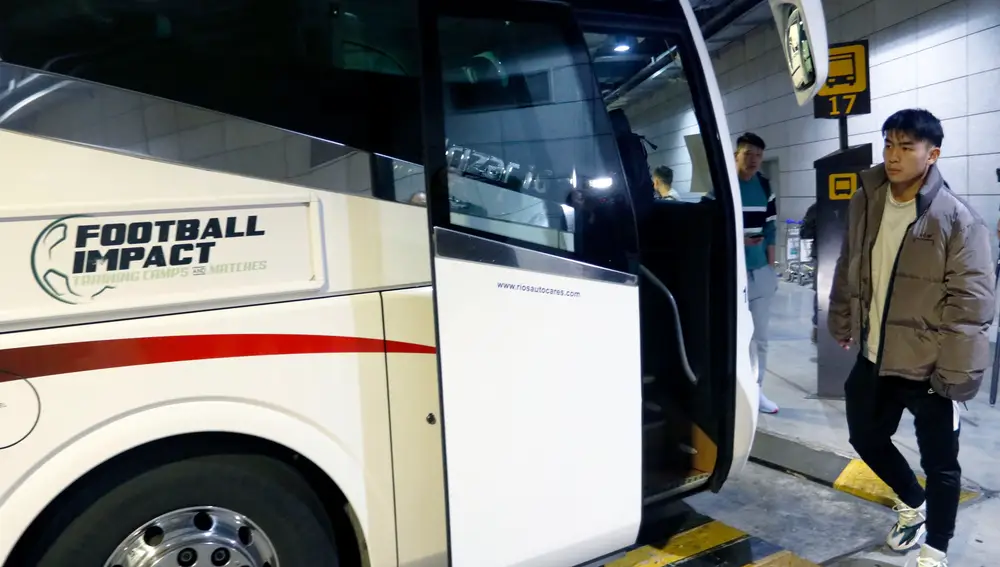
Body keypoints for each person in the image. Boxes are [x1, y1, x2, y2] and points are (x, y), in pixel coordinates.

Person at [828, 109, 994, 567]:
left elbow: (972, 306)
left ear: (932, 153)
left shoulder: (958, 220)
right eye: (889, 144)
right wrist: (844, 319)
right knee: (865, 435)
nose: (894, 155)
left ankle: (935, 549)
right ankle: (912, 504)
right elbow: (851, 263)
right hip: (875, 355)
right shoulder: (868, 199)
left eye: (906, 146)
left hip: (929, 366)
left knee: (941, 464)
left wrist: (954, 375)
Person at [735, 132, 780, 414]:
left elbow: (771, 230)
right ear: (736, 155)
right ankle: (734, 391)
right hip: (734, 274)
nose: (753, 160)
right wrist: (740, 241)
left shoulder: (765, 187)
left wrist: (771, 269)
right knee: (734, 336)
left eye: (758, 155)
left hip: (760, 273)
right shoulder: (723, 188)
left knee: (760, 337)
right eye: (748, 154)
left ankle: (757, 391)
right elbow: (714, 231)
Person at [800, 202, 818, 343]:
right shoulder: (816, 208)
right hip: (822, 255)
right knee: (821, 294)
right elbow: (804, 233)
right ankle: (818, 327)